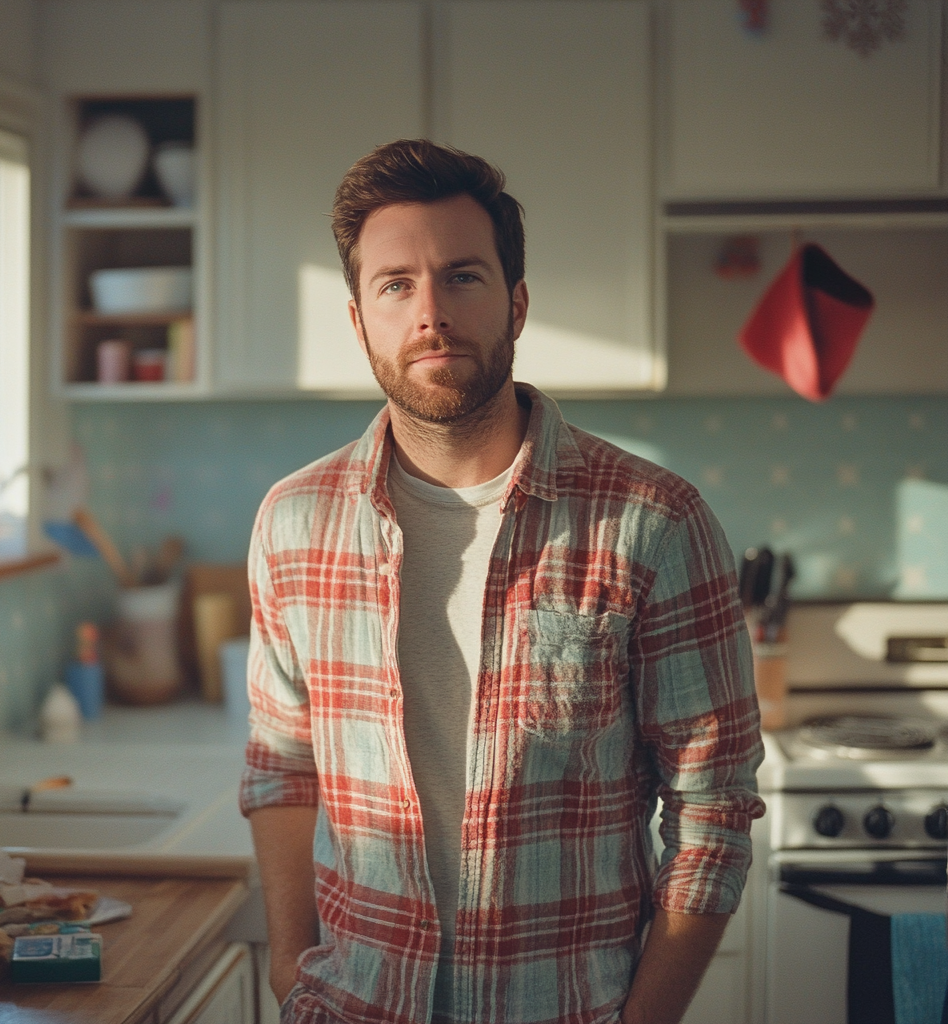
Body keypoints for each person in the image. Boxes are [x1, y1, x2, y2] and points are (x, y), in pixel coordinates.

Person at [241, 139, 765, 1024]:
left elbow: (713, 807)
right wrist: (290, 965)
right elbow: (281, 765)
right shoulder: (293, 522)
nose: (430, 313)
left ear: (517, 303)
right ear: (359, 316)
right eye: (395, 284)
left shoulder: (653, 522)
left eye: (463, 277)